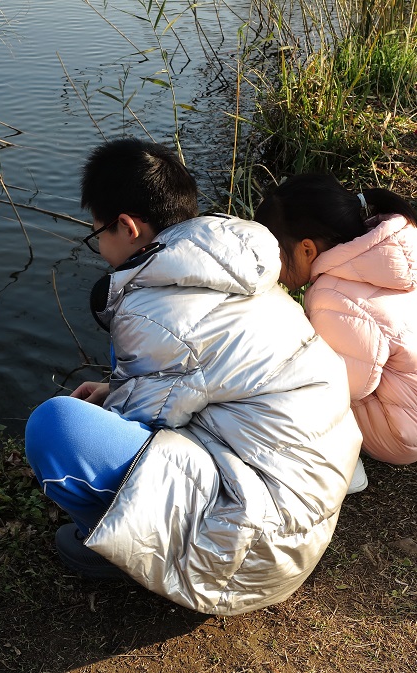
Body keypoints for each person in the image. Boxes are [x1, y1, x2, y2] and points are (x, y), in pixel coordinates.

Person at [25, 138, 363, 616]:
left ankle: (109, 544)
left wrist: (109, 405)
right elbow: (202, 379)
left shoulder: (155, 305)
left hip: (249, 550)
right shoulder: (232, 267)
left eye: (97, 233)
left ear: (127, 226)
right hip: (298, 521)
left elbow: (148, 418)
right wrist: (117, 387)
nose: (99, 246)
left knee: (56, 427)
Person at [255, 174, 417, 470]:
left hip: (402, 432)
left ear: (306, 249)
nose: (271, 267)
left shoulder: (332, 295)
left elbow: (345, 388)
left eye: (274, 253)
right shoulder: (393, 253)